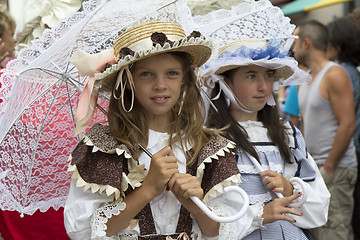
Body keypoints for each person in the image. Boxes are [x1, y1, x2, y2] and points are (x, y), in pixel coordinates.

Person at [64, 21, 252, 239]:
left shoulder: (208, 146)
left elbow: (225, 230)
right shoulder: (106, 147)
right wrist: (148, 189)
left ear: (185, 79)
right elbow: (83, 231)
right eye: (146, 74)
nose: (160, 85)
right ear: (127, 81)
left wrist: (194, 203)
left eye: (171, 73)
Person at [205, 39, 330, 239]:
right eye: (251, 76)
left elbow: (320, 208)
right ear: (226, 82)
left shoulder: (287, 134)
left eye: (268, 75)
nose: (263, 86)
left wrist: (291, 189)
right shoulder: (211, 139)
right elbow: (209, 221)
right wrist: (259, 215)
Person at [293, 20, 358, 240]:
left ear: (307, 43)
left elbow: (348, 124)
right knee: (320, 231)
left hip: (335, 169)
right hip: (315, 170)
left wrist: (329, 167)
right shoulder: (306, 78)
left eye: (295, 41)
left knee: (336, 232)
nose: (292, 48)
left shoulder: (335, 74)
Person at [326, 16, 360, 240]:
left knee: (342, 222)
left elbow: (346, 124)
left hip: (346, 156)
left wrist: (329, 164)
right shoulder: (351, 71)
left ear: (336, 45)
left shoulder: (341, 73)